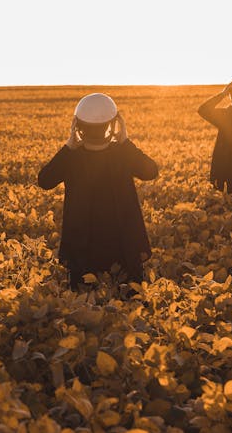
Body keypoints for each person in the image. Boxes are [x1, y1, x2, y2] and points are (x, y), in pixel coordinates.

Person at [38, 94, 158, 290]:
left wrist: (69, 145)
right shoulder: (122, 154)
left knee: (82, 299)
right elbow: (151, 171)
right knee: (130, 298)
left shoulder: (71, 158)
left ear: (78, 127)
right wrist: (125, 140)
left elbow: (44, 180)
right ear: (112, 125)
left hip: (82, 252)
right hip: (124, 250)